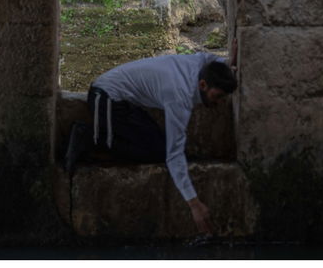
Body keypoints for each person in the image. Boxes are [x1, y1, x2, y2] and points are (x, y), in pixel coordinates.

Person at [64, 50, 238, 235]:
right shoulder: (179, 95)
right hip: (106, 97)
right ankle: (89, 137)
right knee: (141, 151)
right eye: (217, 96)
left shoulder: (197, 65)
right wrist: (194, 204)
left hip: (127, 102)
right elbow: (174, 155)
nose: (219, 102)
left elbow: (206, 57)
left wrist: (226, 62)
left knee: (157, 151)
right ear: (202, 85)